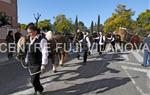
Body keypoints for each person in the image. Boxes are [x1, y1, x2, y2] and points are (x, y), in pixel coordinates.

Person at [25, 23, 48, 95]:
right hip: (30, 63)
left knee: (33, 80)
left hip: (37, 63)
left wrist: (43, 64)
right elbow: (28, 51)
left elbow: (45, 52)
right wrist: (26, 60)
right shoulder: (29, 39)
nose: (29, 34)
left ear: (35, 31)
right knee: (36, 79)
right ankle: (37, 90)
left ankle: (40, 89)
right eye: (28, 32)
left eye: (30, 32)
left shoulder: (42, 40)